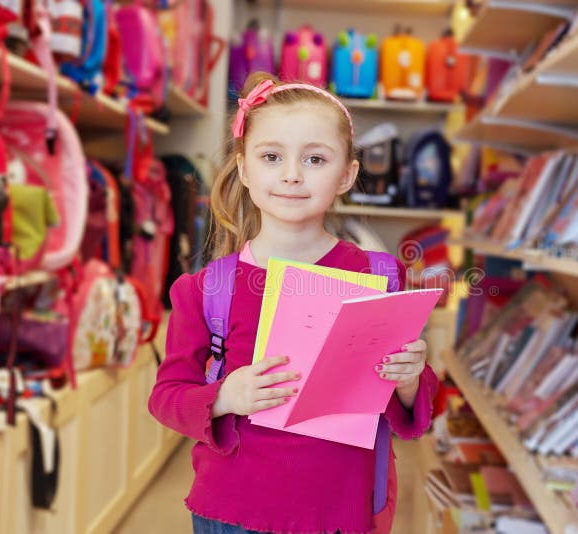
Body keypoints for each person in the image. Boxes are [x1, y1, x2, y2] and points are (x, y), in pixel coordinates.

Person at [148, 72, 438, 534]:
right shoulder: (205, 289)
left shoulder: (379, 277)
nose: (291, 174)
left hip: (338, 513)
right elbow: (166, 397)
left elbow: (411, 401)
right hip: (230, 512)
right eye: (271, 156)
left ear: (347, 175)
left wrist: (408, 379)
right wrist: (225, 395)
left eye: (315, 159)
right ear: (244, 168)